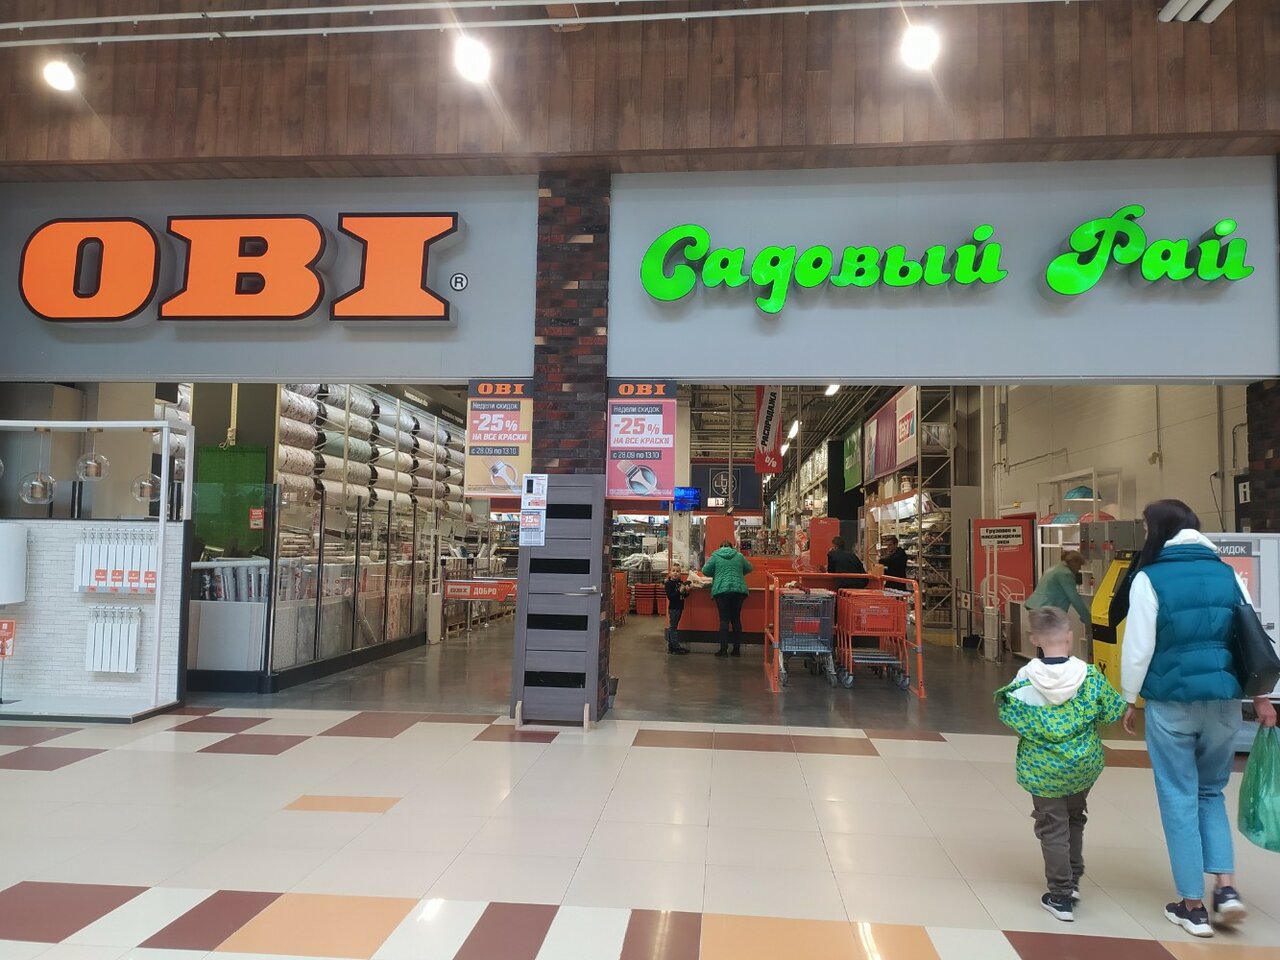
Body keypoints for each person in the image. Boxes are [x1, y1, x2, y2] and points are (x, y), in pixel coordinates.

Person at [1120, 499, 1278, 938]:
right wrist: (1261, 696)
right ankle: (1226, 888)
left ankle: (1192, 907)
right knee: (1211, 792)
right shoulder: (1227, 574)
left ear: (1159, 530)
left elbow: (1138, 647)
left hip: (1172, 701)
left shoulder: (1150, 577)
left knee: (1178, 796)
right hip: (1224, 702)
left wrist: (1129, 697)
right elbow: (1250, 638)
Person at [995, 606, 1126, 923]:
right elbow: (1112, 711)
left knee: (1052, 825)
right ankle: (1074, 879)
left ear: (1034, 639)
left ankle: (1060, 895)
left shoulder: (1025, 679)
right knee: (1074, 816)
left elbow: (1011, 714)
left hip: (1043, 768)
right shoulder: (1089, 675)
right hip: (1082, 764)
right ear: (1069, 636)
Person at [702, 539, 752, 658]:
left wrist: (717, 573)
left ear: (720, 547)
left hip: (722, 591)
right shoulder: (739, 556)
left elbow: (705, 571)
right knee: (736, 619)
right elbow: (749, 568)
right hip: (738, 591)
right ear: (732, 547)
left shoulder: (716, 556)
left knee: (724, 620)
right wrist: (739, 573)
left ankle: (723, 650)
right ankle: (736, 650)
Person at [1025, 550, 1092, 625]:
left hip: (1035, 607)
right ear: (1073, 562)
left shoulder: (1054, 568)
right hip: (1047, 611)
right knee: (1053, 632)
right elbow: (1074, 598)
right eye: (1079, 565)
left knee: (1041, 632)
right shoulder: (1066, 573)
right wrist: (1087, 618)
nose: (1079, 568)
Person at [663, 564, 691, 655]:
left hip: (679, 607)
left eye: (677, 571)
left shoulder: (680, 583)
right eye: (673, 571)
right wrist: (679, 591)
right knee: (673, 627)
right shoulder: (668, 584)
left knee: (673, 626)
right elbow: (671, 597)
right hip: (674, 608)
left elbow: (684, 596)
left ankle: (671, 647)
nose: (675, 573)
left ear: (680, 573)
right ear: (670, 573)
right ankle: (676, 647)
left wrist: (686, 591)